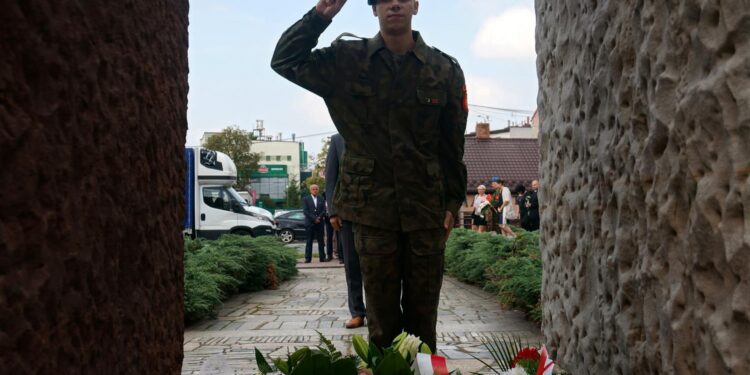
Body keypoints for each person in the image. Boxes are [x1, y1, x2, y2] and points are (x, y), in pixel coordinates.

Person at [272, 0, 468, 351]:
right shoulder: (347, 61)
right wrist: (320, 15)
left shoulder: (443, 69)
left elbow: (452, 146)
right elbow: (285, 60)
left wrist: (453, 201)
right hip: (371, 211)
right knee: (382, 322)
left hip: (426, 210)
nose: (394, 3)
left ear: (415, 6)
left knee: (424, 321)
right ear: (373, 9)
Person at [326, 133, 366, 328]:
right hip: (347, 215)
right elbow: (331, 178)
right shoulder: (338, 140)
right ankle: (357, 312)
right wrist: (333, 211)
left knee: (380, 266)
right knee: (352, 265)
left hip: (376, 214)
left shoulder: (377, 131)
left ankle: (378, 313)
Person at [302, 184, 327, 263]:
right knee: (309, 241)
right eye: (313, 189)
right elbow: (306, 211)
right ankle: (308, 259)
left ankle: (322, 258)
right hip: (310, 223)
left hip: (320, 223)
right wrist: (314, 218)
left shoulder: (321, 199)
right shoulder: (306, 199)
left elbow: (324, 210)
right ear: (310, 190)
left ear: (318, 190)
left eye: (316, 189)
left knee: (321, 241)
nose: (315, 190)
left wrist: (319, 218)